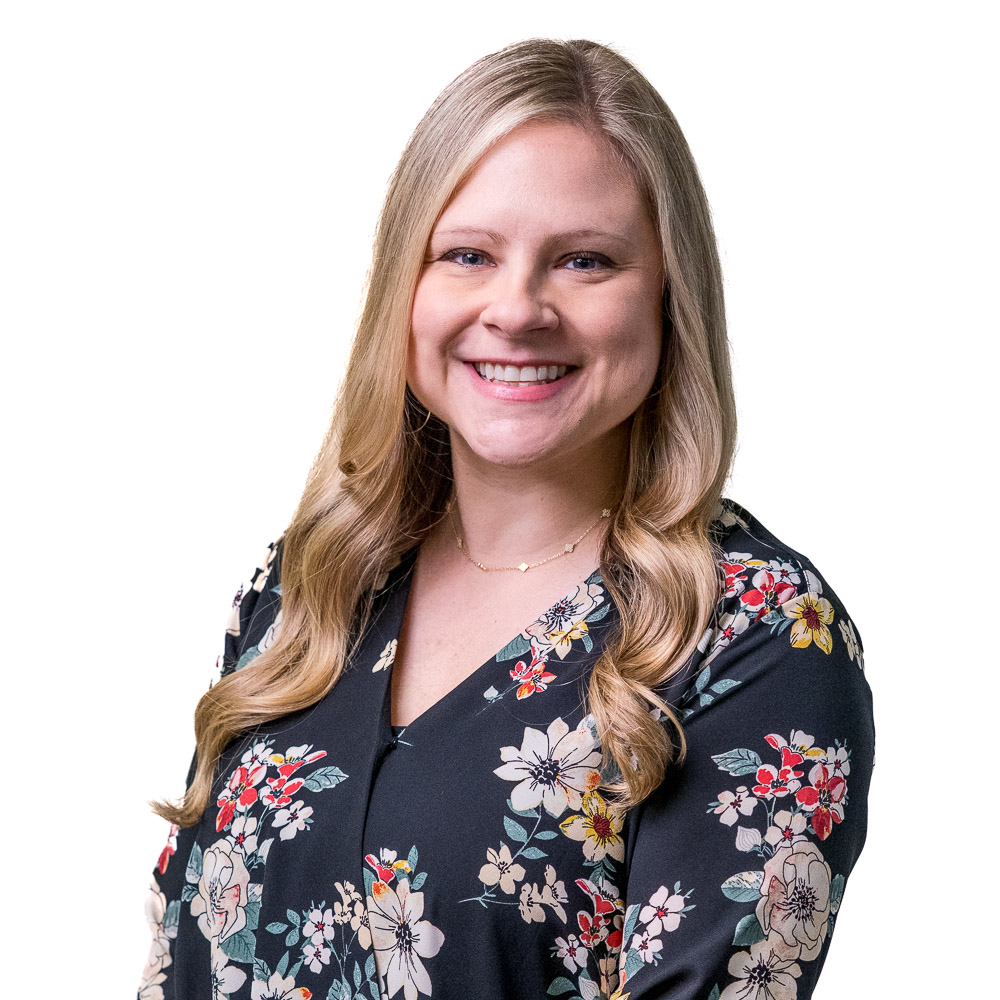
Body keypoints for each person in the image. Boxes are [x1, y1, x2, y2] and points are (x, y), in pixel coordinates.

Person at [140, 37, 874, 1000]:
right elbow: (170, 962)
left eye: (584, 260)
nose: (517, 308)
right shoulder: (305, 589)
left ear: (667, 294)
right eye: (468, 254)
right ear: (405, 287)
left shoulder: (754, 631)